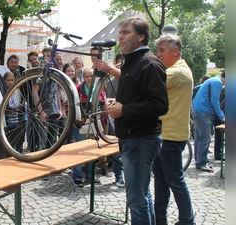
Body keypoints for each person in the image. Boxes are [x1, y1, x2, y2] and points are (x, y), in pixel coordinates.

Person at [94, 16, 169, 224]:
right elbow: (139, 96)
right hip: (133, 137)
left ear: (141, 37)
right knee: (142, 196)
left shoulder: (150, 63)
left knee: (136, 200)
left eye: (126, 33)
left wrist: (124, 109)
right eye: (120, 33)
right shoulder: (131, 61)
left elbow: (160, 106)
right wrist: (117, 102)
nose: (121, 37)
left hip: (141, 139)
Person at [153, 34, 195, 225]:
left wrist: (117, 70)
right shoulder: (176, 69)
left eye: (162, 50)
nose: (158, 54)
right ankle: (160, 217)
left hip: (170, 136)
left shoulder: (177, 72)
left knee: (175, 181)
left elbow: (149, 80)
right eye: (158, 50)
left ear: (175, 51)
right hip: (166, 133)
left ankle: (187, 221)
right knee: (161, 180)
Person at [72, 67, 103, 187]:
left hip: (95, 122)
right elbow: (71, 104)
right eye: (87, 76)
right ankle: (77, 176)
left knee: (92, 150)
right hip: (81, 122)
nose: (89, 78)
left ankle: (91, 176)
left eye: (91, 76)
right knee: (78, 151)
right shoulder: (78, 89)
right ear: (83, 77)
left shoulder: (99, 88)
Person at [192, 71, 225, 172]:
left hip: (198, 111)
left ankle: (199, 160)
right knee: (205, 139)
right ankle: (201, 163)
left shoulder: (213, 79)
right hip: (204, 112)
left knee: (199, 137)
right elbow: (214, 101)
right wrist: (222, 116)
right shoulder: (217, 82)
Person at [102, 52, 125, 188]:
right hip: (115, 117)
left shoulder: (130, 78)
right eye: (119, 63)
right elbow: (108, 97)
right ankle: (118, 176)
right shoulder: (112, 80)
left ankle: (125, 175)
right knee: (116, 148)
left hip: (128, 116)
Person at [214, 84, 225, 160]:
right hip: (221, 114)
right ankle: (218, 154)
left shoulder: (223, 88)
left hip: (220, 113)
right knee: (219, 135)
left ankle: (218, 153)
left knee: (219, 136)